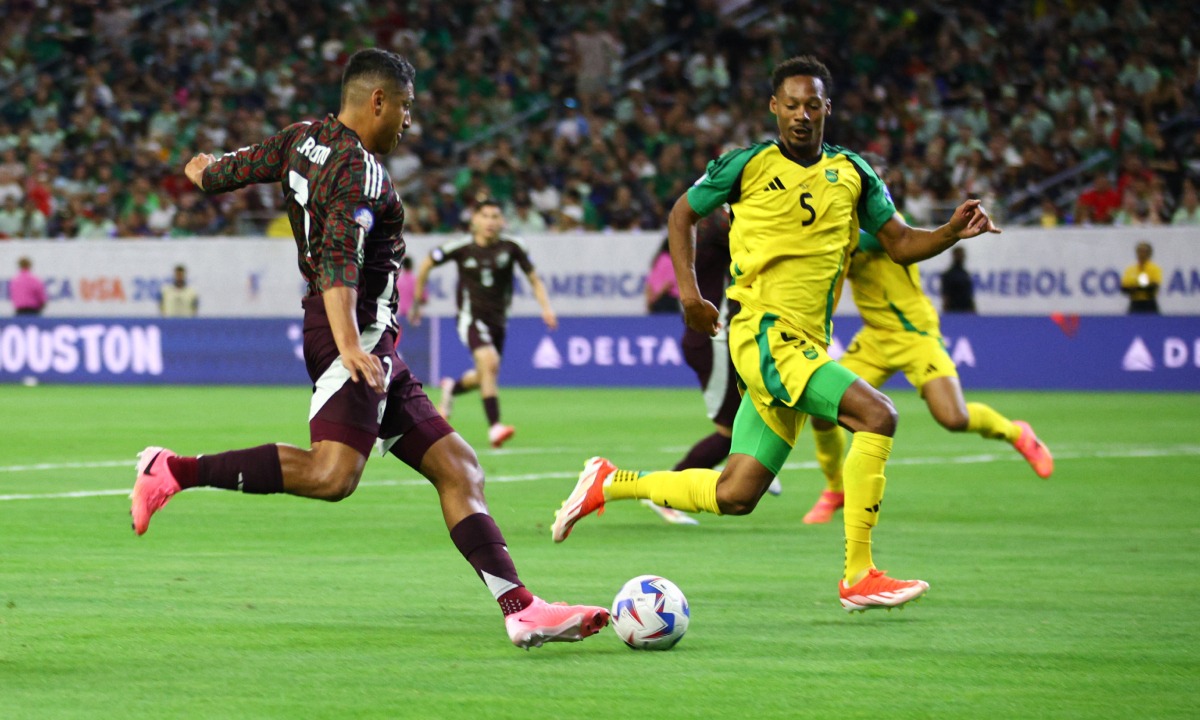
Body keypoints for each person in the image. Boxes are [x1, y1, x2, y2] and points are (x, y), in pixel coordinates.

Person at [131, 48, 608, 649]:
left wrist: (205, 172)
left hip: (368, 338)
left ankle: (521, 608)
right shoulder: (361, 172)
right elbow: (338, 258)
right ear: (377, 101)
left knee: (458, 467)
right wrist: (352, 345)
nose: (409, 121)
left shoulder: (302, 138)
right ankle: (171, 469)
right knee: (334, 476)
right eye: (406, 107)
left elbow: (237, 167)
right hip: (351, 334)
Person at [551, 55, 1001, 613]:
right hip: (763, 334)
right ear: (774, 107)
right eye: (791, 105)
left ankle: (609, 481)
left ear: (826, 109)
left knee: (736, 494)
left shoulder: (854, 174)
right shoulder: (746, 166)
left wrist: (951, 232)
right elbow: (681, 215)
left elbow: (901, 242)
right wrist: (690, 296)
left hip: (804, 344)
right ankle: (859, 574)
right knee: (878, 414)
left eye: (812, 105)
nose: (802, 115)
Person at [800, 153, 1052, 526]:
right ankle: (836, 488)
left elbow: (873, 244)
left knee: (953, 417)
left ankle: (1017, 433)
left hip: (916, 333)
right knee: (820, 407)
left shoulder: (889, 223)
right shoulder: (839, 225)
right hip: (874, 338)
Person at [642, 207, 780, 527]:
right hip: (714, 339)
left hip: (721, 336)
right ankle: (665, 493)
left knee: (757, 407)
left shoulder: (697, 224)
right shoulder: (720, 224)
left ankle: (749, 468)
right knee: (729, 430)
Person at [408, 199, 557, 449]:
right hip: (470, 317)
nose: (490, 221)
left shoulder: (512, 247)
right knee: (489, 363)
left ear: (502, 222)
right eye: (485, 216)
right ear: (474, 220)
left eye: (495, 216)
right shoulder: (461, 246)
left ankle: (451, 388)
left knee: (485, 372)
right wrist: (417, 300)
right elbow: (426, 264)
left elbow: (534, 278)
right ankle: (495, 426)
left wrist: (546, 308)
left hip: (499, 320)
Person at [1120, 241, 1162, 314]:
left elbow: (1153, 288)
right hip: (1135, 303)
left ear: (1149, 254)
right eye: (1139, 251)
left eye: (1144, 252)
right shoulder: (1131, 269)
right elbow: (1124, 289)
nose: (1141, 254)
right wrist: (1141, 287)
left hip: (1149, 303)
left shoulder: (1154, 269)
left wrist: (1135, 287)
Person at [645, 237, 681, 314]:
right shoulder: (671, 260)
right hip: (667, 300)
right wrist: (656, 297)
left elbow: (649, 282)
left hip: (656, 300)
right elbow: (669, 283)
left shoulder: (658, 259)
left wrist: (650, 300)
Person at [940, 245, 976, 313]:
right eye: (959, 255)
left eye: (962, 255)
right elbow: (946, 296)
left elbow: (969, 295)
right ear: (954, 256)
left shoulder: (965, 274)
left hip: (966, 310)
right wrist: (946, 312)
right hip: (953, 311)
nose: (961, 257)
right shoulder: (948, 275)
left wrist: (973, 310)